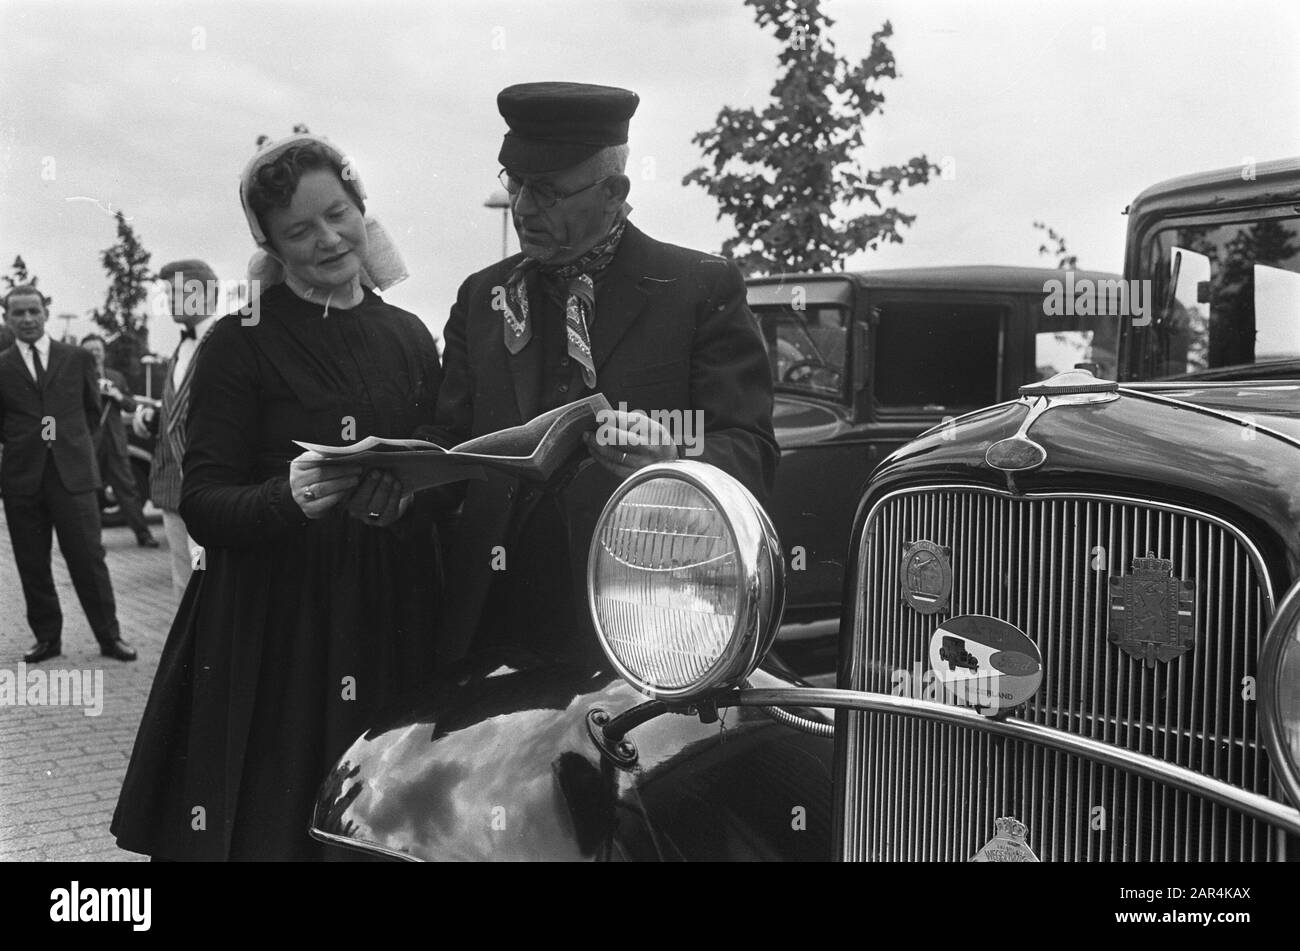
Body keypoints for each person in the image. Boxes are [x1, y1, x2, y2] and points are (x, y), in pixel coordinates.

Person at [111, 133, 444, 860]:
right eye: (300, 230)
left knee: (388, 819)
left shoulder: (411, 337)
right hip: (276, 625)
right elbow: (202, 499)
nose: (327, 239)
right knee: (277, 823)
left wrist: (410, 496)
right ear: (270, 243)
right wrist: (284, 497)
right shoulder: (240, 342)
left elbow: (439, 467)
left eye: (338, 214)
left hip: (389, 612)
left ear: (361, 207)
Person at [424, 82, 778, 666]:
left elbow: (752, 454)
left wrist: (674, 462)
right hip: (488, 627)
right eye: (515, 184)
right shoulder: (482, 295)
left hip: (639, 623)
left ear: (614, 192)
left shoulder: (700, 288)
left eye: (547, 192)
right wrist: (394, 485)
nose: (522, 208)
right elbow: (451, 448)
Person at [0, 286, 137, 662]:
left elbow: (93, 414)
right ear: (6, 319)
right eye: (18, 314)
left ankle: (110, 638)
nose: (27, 319)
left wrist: (68, 447)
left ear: (45, 312)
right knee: (32, 563)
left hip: (73, 479)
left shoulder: (76, 358)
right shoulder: (2, 365)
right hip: (22, 482)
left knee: (88, 559)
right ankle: (48, 639)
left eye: (33, 311)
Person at [146, 259, 221, 600]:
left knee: (207, 581)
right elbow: (180, 410)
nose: (170, 301)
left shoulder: (226, 342)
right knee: (184, 582)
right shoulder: (182, 347)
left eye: (176, 292)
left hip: (207, 486)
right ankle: (189, 654)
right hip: (173, 485)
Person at [79, 333, 159, 548]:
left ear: (104, 353)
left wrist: (117, 395)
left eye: (98, 349)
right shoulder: (76, 377)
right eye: (89, 350)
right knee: (90, 491)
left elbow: (132, 405)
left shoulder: (116, 376)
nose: (94, 354)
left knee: (127, 488)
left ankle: (143, 534)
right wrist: (94, 390)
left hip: (114, 441)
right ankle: (91, 540)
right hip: (89, 441)